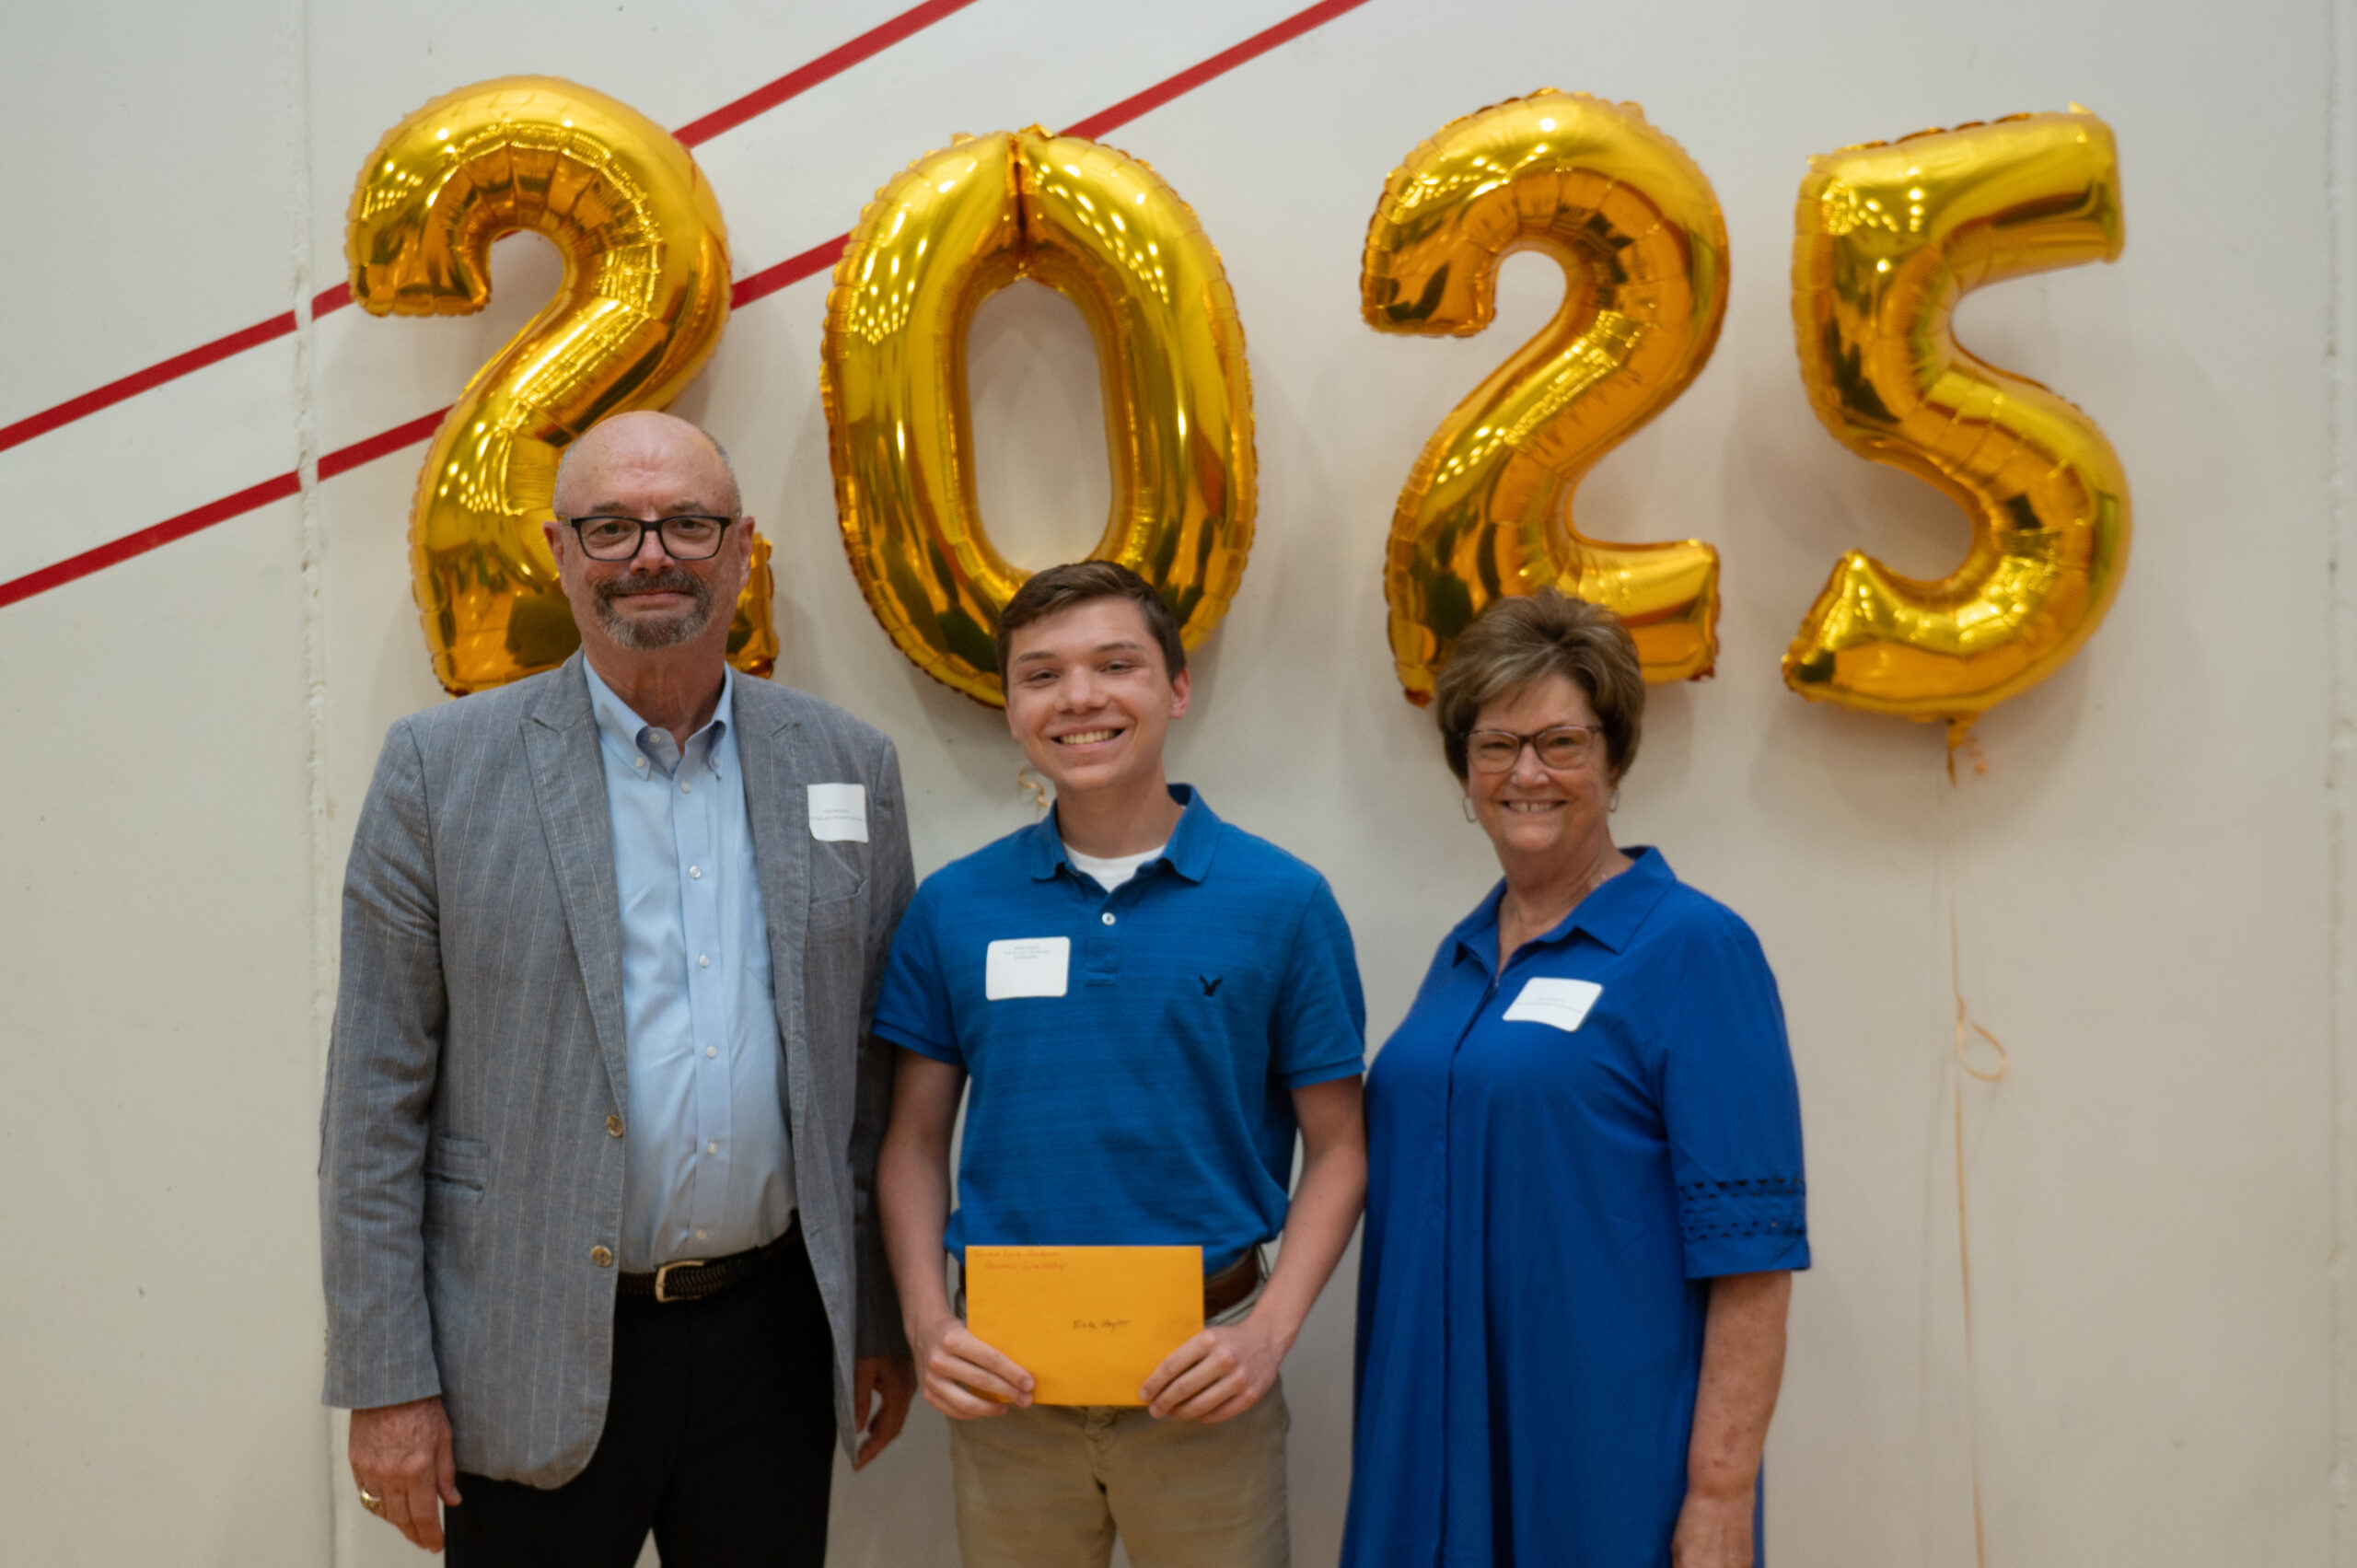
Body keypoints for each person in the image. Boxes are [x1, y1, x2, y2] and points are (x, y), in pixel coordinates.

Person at [319, 411, 916, 1565]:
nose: (651, 555)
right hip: (525, 1347)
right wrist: (387, 1379)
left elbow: (869, 1076)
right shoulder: (437, 772)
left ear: (740, 548)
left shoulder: (848, 763)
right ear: (559, 551)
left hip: (772, 1344)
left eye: (687, 523)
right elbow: (372, 1106)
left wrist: (878, 1313)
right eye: (611, 527)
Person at [874, 561, 1367, 1568]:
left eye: (1115, 664)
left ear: (1176, 687)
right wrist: (926, 1322)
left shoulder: (1283, 901)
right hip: (1007, 1386)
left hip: (1205, 1381)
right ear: (1010, 704)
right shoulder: (953, 906)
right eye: (1041, 674)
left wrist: (1268, 1332)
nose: (1079, 697)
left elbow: (1342, 1146)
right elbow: (912, 1143)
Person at [1342, 590, 1809, 1568]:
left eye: (1560, 742)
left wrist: (1721, 1490)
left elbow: (1752, 1255)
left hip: (1602, 1455)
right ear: (1464, 769)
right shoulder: (1462, 955)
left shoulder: (1694, 948)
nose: (1526, 773)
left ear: (1614, 757)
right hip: (1427, 1439)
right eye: (1496, 745)